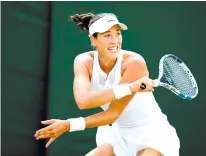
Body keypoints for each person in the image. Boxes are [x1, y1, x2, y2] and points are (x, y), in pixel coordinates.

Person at [34, 12, 180, 156]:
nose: (115, 41)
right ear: (94, 40)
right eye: (107, 35)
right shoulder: (83, 61)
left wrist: (68, 125)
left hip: (153, 135)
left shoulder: (134, 62)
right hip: (117, 136)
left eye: (117, 33)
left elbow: (113, 113)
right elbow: (83, 101)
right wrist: (130, 88)